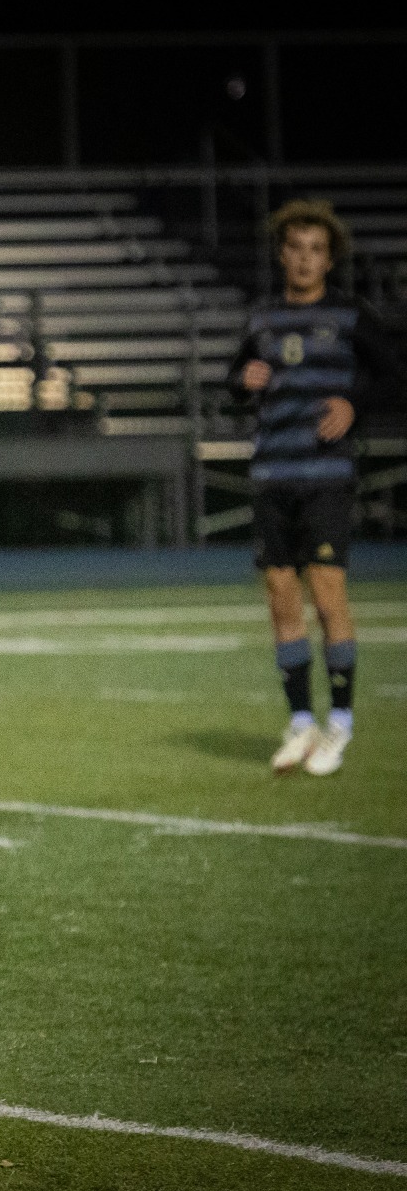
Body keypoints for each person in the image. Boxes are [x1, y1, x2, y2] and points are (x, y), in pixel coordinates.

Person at [229, 199, 405, 777]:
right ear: (283, 254)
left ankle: (341, 724)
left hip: (325, 477)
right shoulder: (261, 320)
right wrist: (240, 380)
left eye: (316, 251)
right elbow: (236, 381)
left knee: (328, 594)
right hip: (271, 474)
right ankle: (301, 722)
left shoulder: (351, 316)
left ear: (329, 261)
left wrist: (354, 404)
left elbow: (394, 377)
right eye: (296, 248)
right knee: (282, 597)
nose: (305, 260)